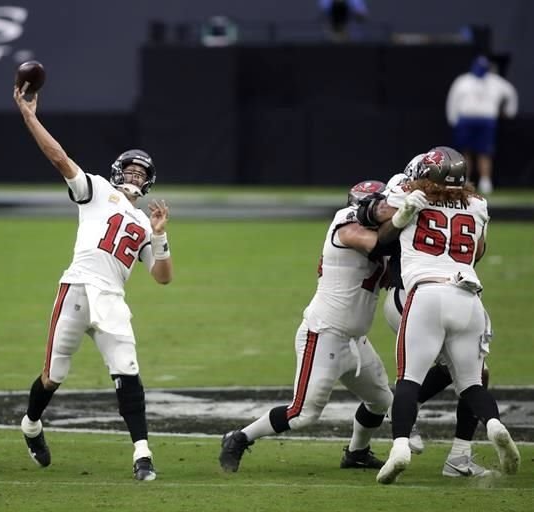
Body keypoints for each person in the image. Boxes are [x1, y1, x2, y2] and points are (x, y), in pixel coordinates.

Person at [13, 84, 173, 481]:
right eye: (131, 169)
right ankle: (31, 423)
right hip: (77, 287)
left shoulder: (143, 221)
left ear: (149, 182)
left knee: (128, 370)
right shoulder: (97, 189)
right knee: (54, 376)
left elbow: (162, 277)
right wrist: (30, 116)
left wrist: (159, 235)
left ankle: (142, 455)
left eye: (142, 172)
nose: (135, 175)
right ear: (119, 172)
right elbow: (59, 158)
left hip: (112, 297)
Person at [367, 146, 519, 484]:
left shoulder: (405, 190)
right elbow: (477, 251)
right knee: (473, 380)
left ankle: (404, 445)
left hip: (423, 295)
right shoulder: (478, 205)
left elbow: (377, 226)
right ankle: (492, 425)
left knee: (409, 378)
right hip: (467, 296)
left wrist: (403, 214)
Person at [218, 180, 393, 473]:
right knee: (303, 413)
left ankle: (356, 453)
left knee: (381, 400)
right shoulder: (345, 222)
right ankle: (238, 438)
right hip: (324, 333)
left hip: (356, 339)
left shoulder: (383, 235)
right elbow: (372, 242)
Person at [446, 55, 518, 194]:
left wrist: (510, 112)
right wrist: (453, 119)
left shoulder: (496, 81)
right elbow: (452, 99)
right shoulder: (463, 81)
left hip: (486, 121)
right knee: (465, 152)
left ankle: (485, 182)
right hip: (466, 120)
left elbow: (511, 93)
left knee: (485, 152)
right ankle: (464, 180)